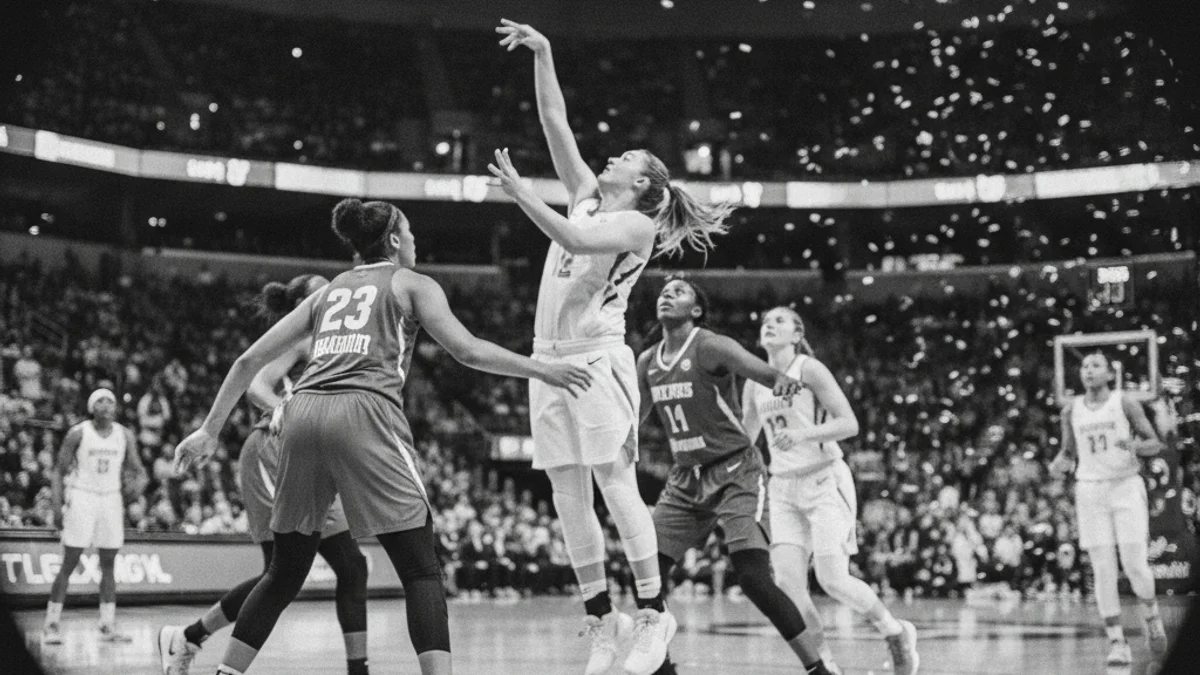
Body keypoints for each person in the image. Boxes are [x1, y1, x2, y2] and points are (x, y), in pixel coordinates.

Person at [172, 198, 592, 675]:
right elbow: (468, 351)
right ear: (394, 239)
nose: (414, 240)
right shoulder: (412, 283)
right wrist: (543, 371)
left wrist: (209, 430)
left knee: (285, 570)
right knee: (420, 569)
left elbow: (247, 362)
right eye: (409, 232)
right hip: (364, 411)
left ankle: (226, 671)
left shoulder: (326, 293)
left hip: (303, 414)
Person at [493, 19, 736, 675]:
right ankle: (603, 618)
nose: (610, 158)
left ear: (646, 183)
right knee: (565, 495)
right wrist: (544, 52)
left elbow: (574, 244)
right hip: (548, 357)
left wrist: (520, 195)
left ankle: (655, 611)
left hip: (598, 357)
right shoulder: (589, 195)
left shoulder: (635, 223)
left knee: (614, 480)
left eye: (625, 159)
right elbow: (554, 122)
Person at [158, 275, 372, 675]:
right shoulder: (299, 338)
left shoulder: (339, 341)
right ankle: (197, 643)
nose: (335, 293)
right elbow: (257, 384)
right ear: (305, 304)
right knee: (282, 574)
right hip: (272, 452)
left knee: (351, 567)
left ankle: (187, 636)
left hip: (313, 458)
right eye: (323, 289)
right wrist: (278, 407)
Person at [635, 277, 834, 675]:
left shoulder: (711, 345)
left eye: (680, 291)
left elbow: (766, 375)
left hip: (734, 470)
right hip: (685, 478)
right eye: (664, 290)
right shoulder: (647, 362)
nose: (667, 294)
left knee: (754, 578)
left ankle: (817, 669)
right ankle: (663, 669)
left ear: (696, 310)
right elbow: (635, 419)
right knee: (645, 572)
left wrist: (796, 385)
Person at [742, 306, 918, 675]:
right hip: (782, 488)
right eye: (765, 321)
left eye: (779, 320)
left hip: (824, 479)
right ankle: (826, 666)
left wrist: (803, 434)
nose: (769, 324)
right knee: (789, 585)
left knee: (832, 579)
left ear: (796, 333)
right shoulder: (754, 381)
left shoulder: (809, 369)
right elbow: (746, 439)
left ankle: (895, 631)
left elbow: (849, 423)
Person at [1049, 352, 1169, 667]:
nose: (1089, 371)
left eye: (1096, 366)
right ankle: (1117, 641)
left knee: (1134, 563)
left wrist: (1136, 446)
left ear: (1109, 374)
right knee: (1102, 568)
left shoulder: (1125, 402)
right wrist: (1059, 463)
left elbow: (1155, 443)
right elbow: (1067, 452)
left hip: (1125, 484)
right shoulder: (1070, 410)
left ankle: (1151, 614)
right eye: (1085, 366)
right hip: (1090, 489)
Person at [42, 388, 147, 644]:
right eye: (100, 400)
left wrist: (137, 489)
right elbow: (58, 471)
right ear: (92, 407)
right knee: (69, 561)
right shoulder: (78, 433)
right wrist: (56, 506)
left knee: (109, 564)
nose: (106, 404)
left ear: (115, 408)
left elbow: (139, 470)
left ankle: (107, 624)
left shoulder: (125, 435)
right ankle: (51, 624)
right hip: (82, 496)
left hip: (111, 498)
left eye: (110, 400)